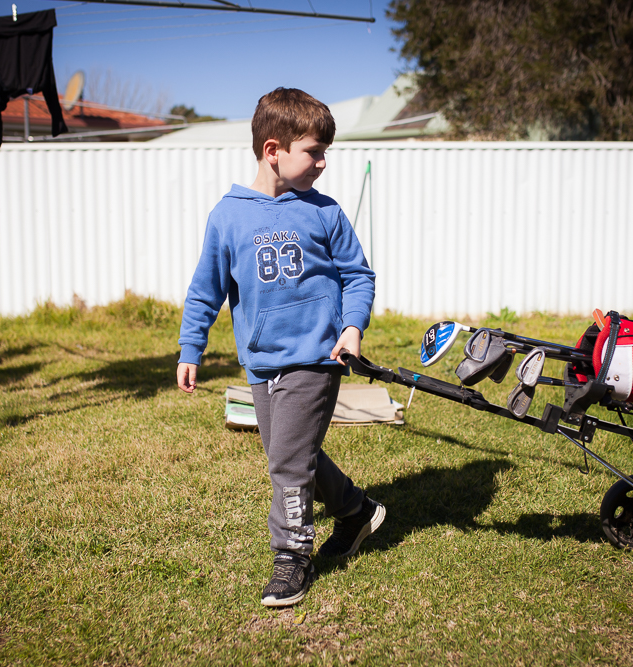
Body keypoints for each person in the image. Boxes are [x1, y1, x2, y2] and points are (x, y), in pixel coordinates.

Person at [176, 87, 385, 607]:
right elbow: (207, 289)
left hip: (316, 358)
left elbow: (358, 276)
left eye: (324, 153)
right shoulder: (229, 216)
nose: (321, 163)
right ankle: (357, 511)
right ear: (274, 151)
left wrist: (352, 328)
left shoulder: (325, 213)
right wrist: (190, 348)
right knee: (292, 452)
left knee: (287, 465)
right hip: (260, 360)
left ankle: (292, 558)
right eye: (313, 152)